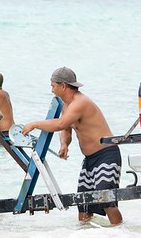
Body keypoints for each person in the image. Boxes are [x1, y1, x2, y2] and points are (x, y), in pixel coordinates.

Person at [22, 67, 123, 226]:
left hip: (106, 155)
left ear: (63, 86)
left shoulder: (80, 102)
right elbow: (66, 128)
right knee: (83, 205)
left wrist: (34, 124)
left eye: (53, 85)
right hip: (90, 160)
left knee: (107, 200)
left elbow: (60, 123)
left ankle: (121, 234)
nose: (51, 89)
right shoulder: (66, 104)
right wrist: (64, 144)